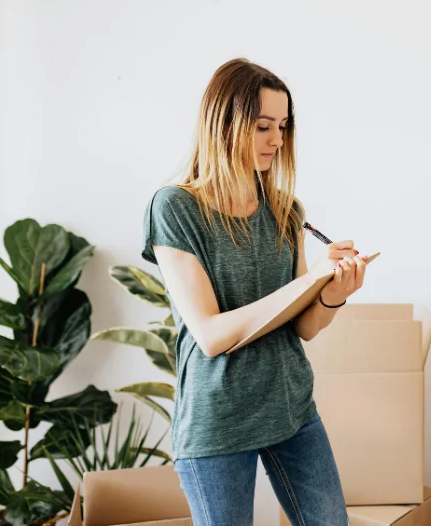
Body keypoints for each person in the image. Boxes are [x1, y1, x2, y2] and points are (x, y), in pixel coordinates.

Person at [141, 58, 367, 526]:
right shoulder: (175, 208)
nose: (277, 140)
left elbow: (303, 327)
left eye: (283, 126)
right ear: (223, 123)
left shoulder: (286, 210)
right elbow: (210, 335)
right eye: (263, 126)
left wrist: (333, 292)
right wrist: (309, 281)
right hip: (217, 419)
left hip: (290, 406)